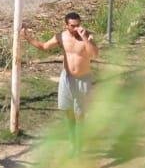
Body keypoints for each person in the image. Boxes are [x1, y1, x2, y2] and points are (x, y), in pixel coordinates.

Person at [20, 12, 99, 154]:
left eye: (78, 25)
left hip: (83, 79)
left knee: (80, 116)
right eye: (72, 26)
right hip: (67, 79)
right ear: (66, 25)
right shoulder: (61, 37)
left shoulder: (87, 36)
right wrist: (27, 38)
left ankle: (79, 148)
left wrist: (85, 38)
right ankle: (72, 143)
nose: (76, 28)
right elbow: (44, 47)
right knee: (68, 113)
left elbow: (93, 54)